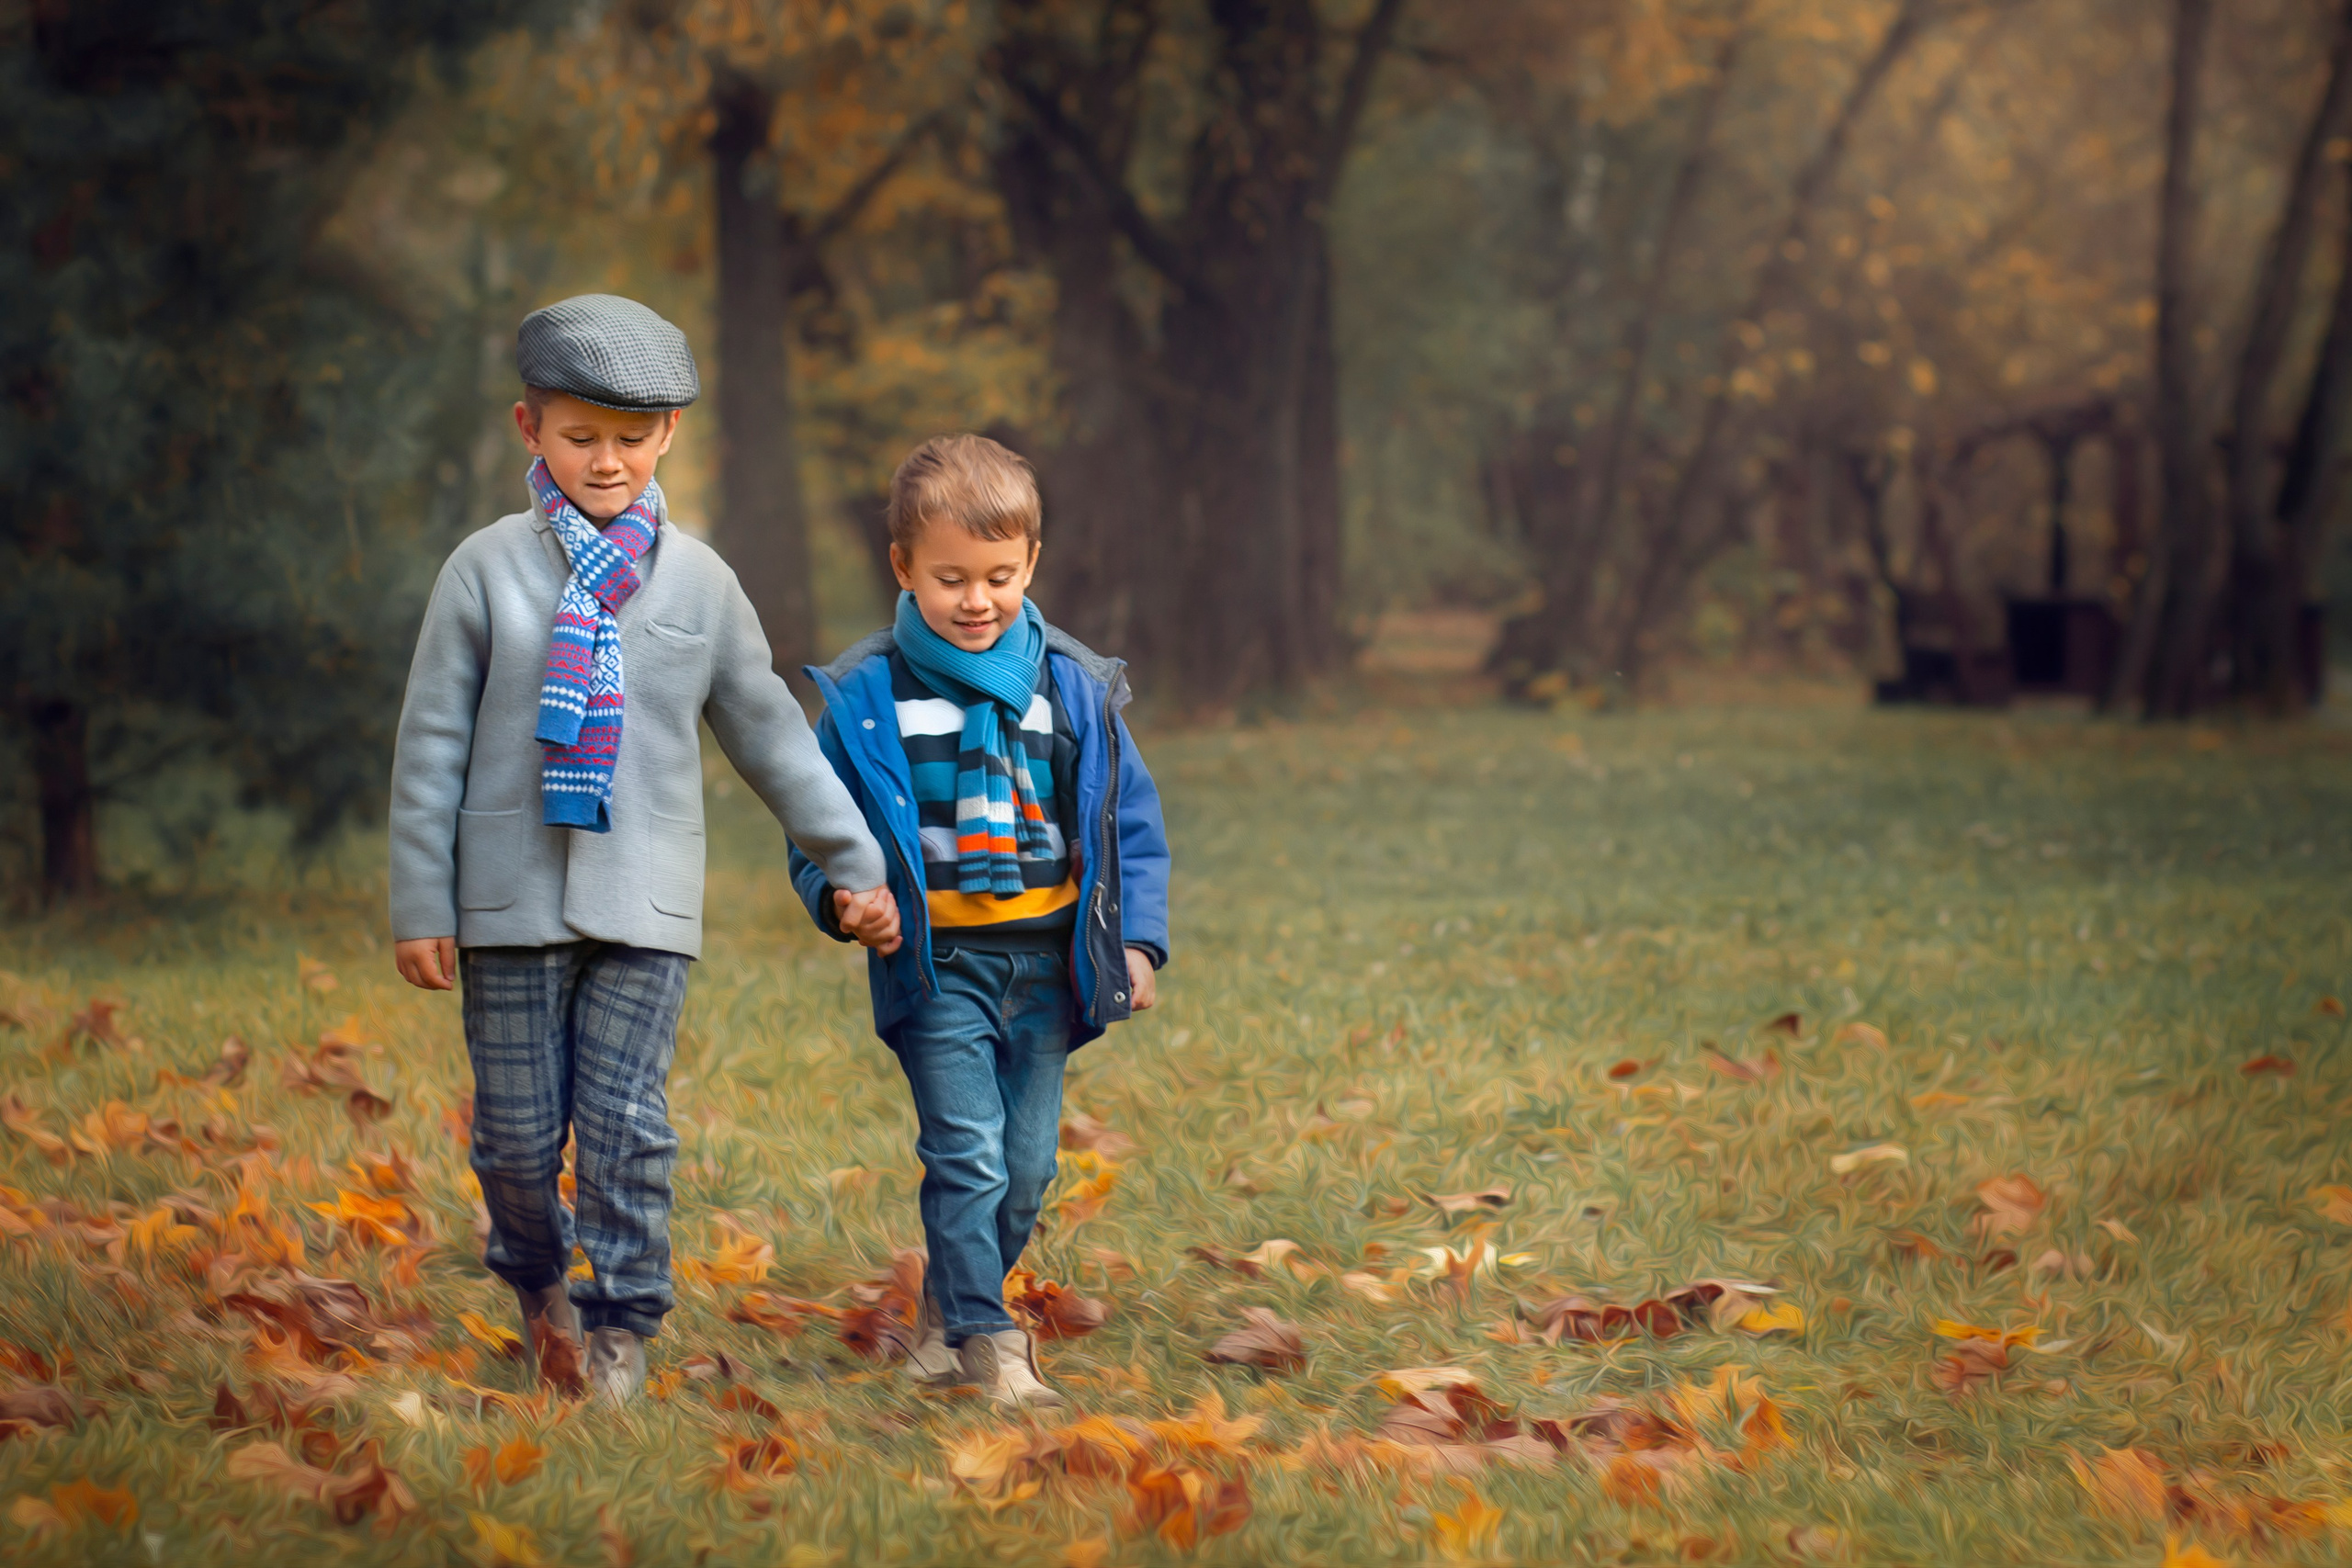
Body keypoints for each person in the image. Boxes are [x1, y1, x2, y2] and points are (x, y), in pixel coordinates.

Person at [387, 294, 899, 1405]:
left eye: (630, 438)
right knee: (517, 1144)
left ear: (669, 432)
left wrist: (856, 861)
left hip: (647, 904)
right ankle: (537, 1286)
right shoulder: (483, 573)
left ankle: (620, 1329)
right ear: (531, 430)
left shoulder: (702, 586)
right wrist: (420, 901)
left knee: (626, 1125)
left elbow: (770, 736)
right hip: (506, 900)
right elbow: (429, 744)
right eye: (580, 438)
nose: (605, 462)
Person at [791, 433, 1171, 1408]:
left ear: (1031, 564)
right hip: (941, 965)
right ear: (903, 568)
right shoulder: (868, 696)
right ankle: (988, 1341)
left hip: (1047, 964)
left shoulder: (1071, 689)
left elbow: (1129, 824)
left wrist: (1136, 941)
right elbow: (819, 830)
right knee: (965, 1153)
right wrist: (843, 897)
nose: (976, 600)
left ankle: (950, 1307)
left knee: (1027, 1169)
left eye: (998, 577)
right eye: (950, 577)